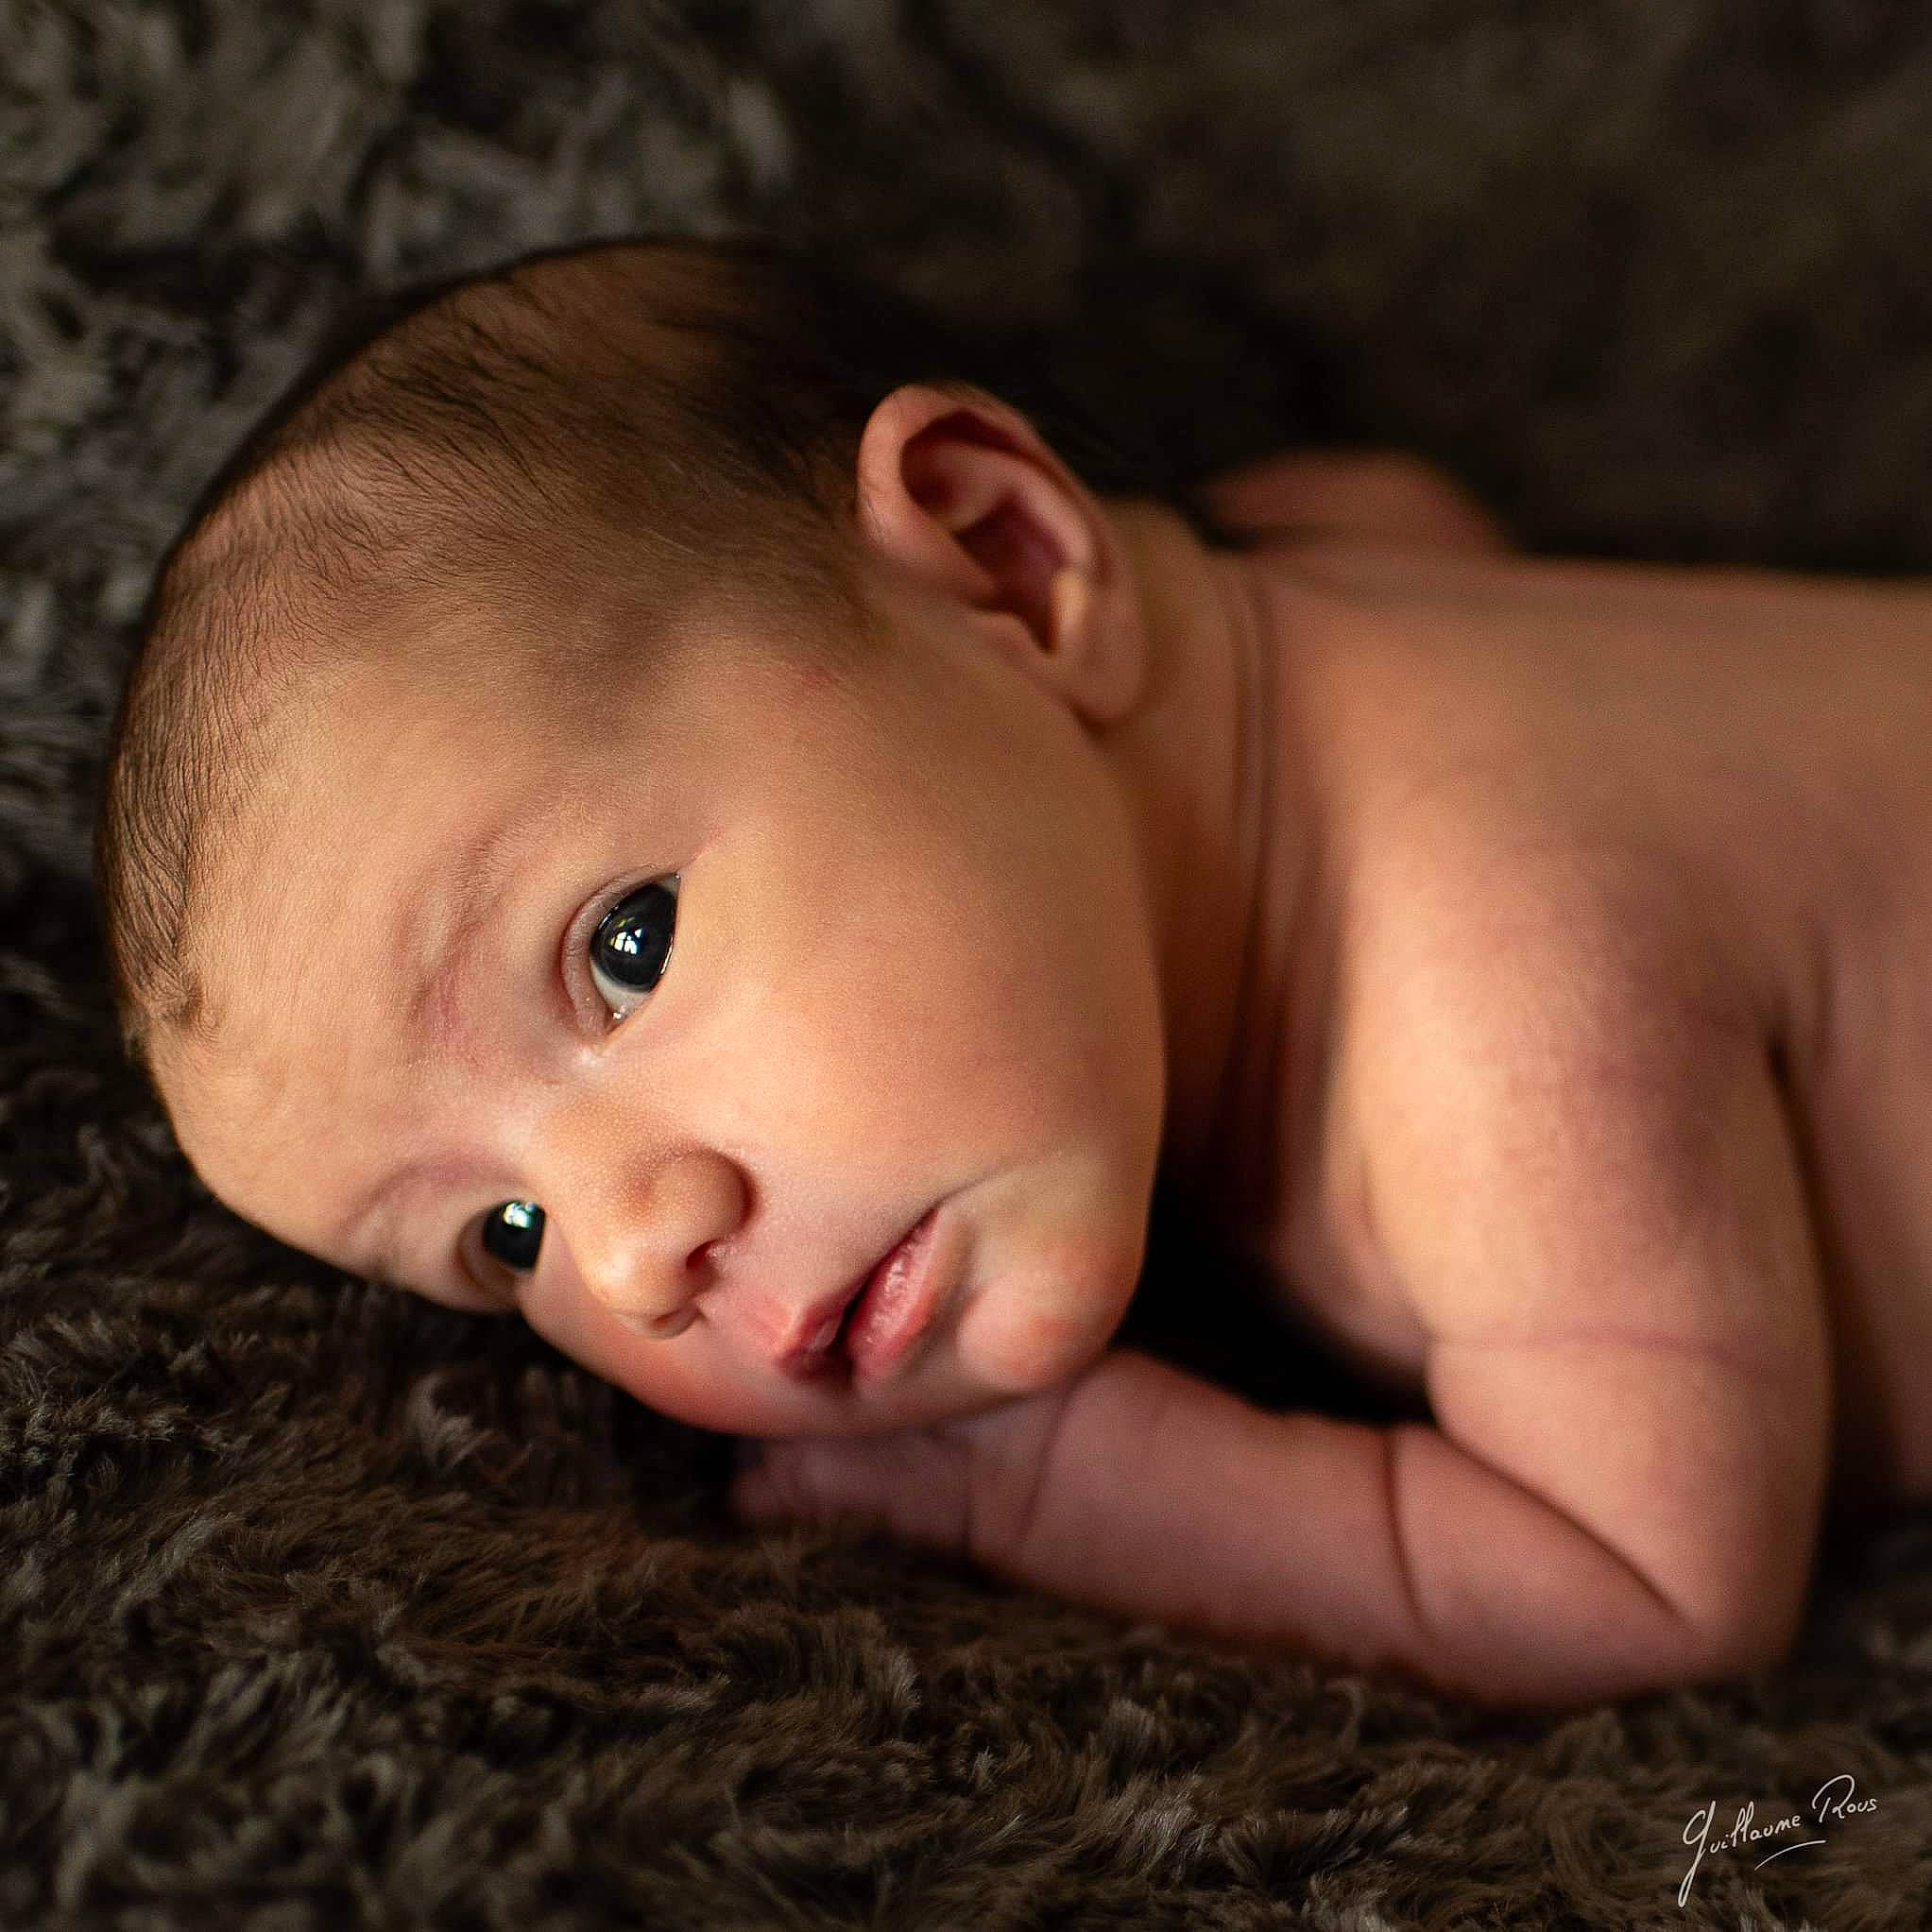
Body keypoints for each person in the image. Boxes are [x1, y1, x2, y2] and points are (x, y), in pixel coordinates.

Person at [94, 233, 1930, 1711]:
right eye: (504, 1243)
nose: (638, 1254)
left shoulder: (1503, 999)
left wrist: (1069, 1493)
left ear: (1006, 556)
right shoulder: (1311, 580)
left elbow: (1656, 1588)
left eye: (624, 952)